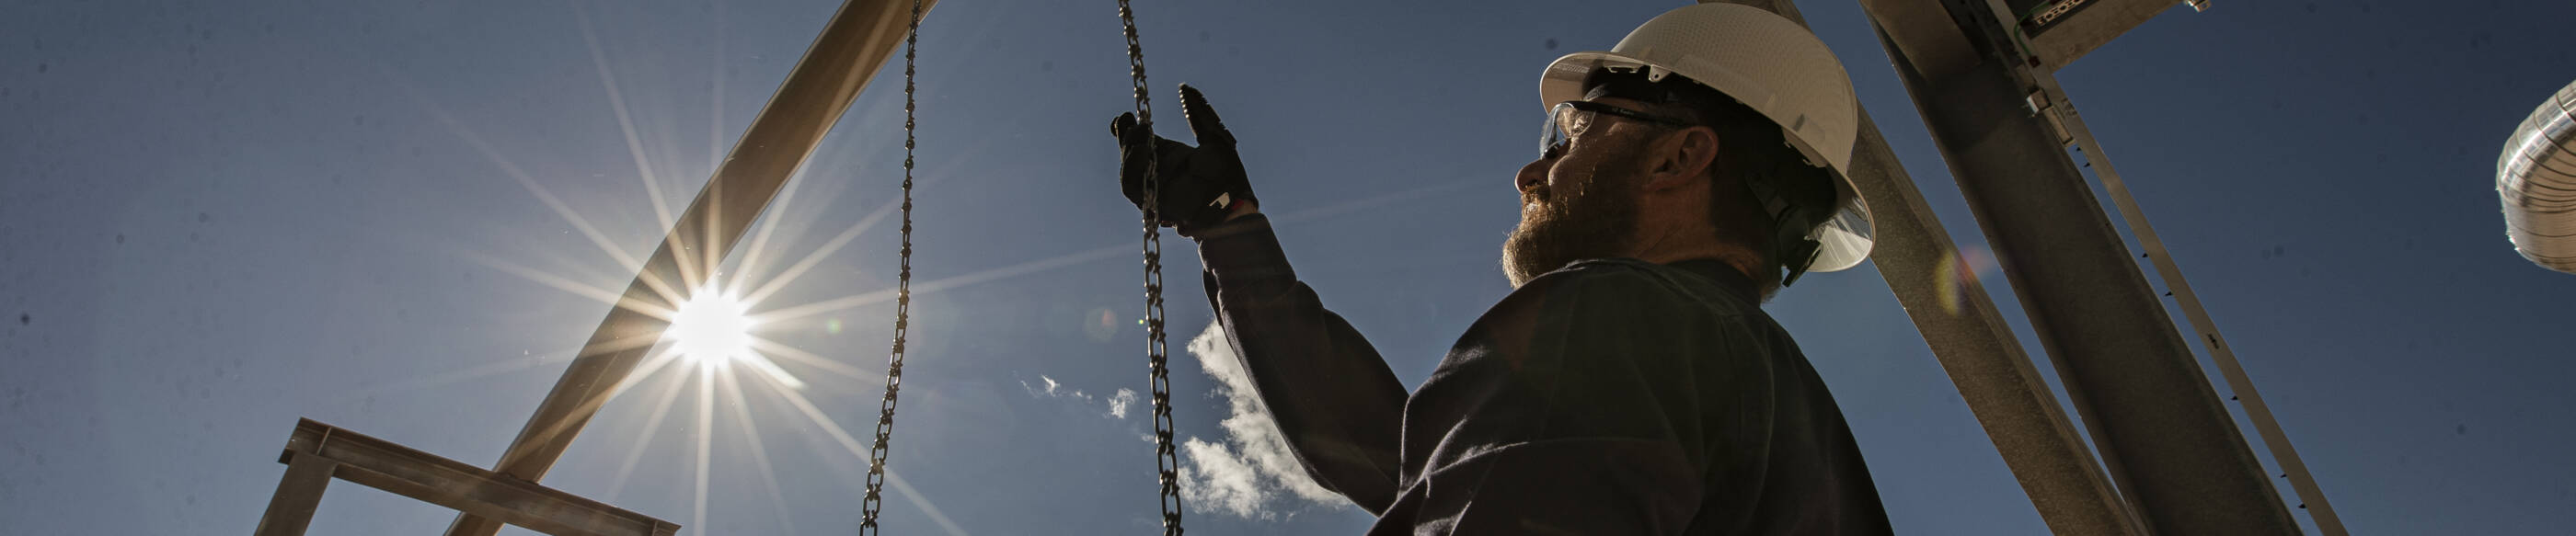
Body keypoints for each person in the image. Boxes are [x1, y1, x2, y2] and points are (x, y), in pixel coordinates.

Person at [1109, 4, 1893, 534]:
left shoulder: (1624, 319)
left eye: (1570, 134)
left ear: (1678, 154)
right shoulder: (1774, 420)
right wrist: (1231, 231)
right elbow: (1414, 460)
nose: (1532, 171)